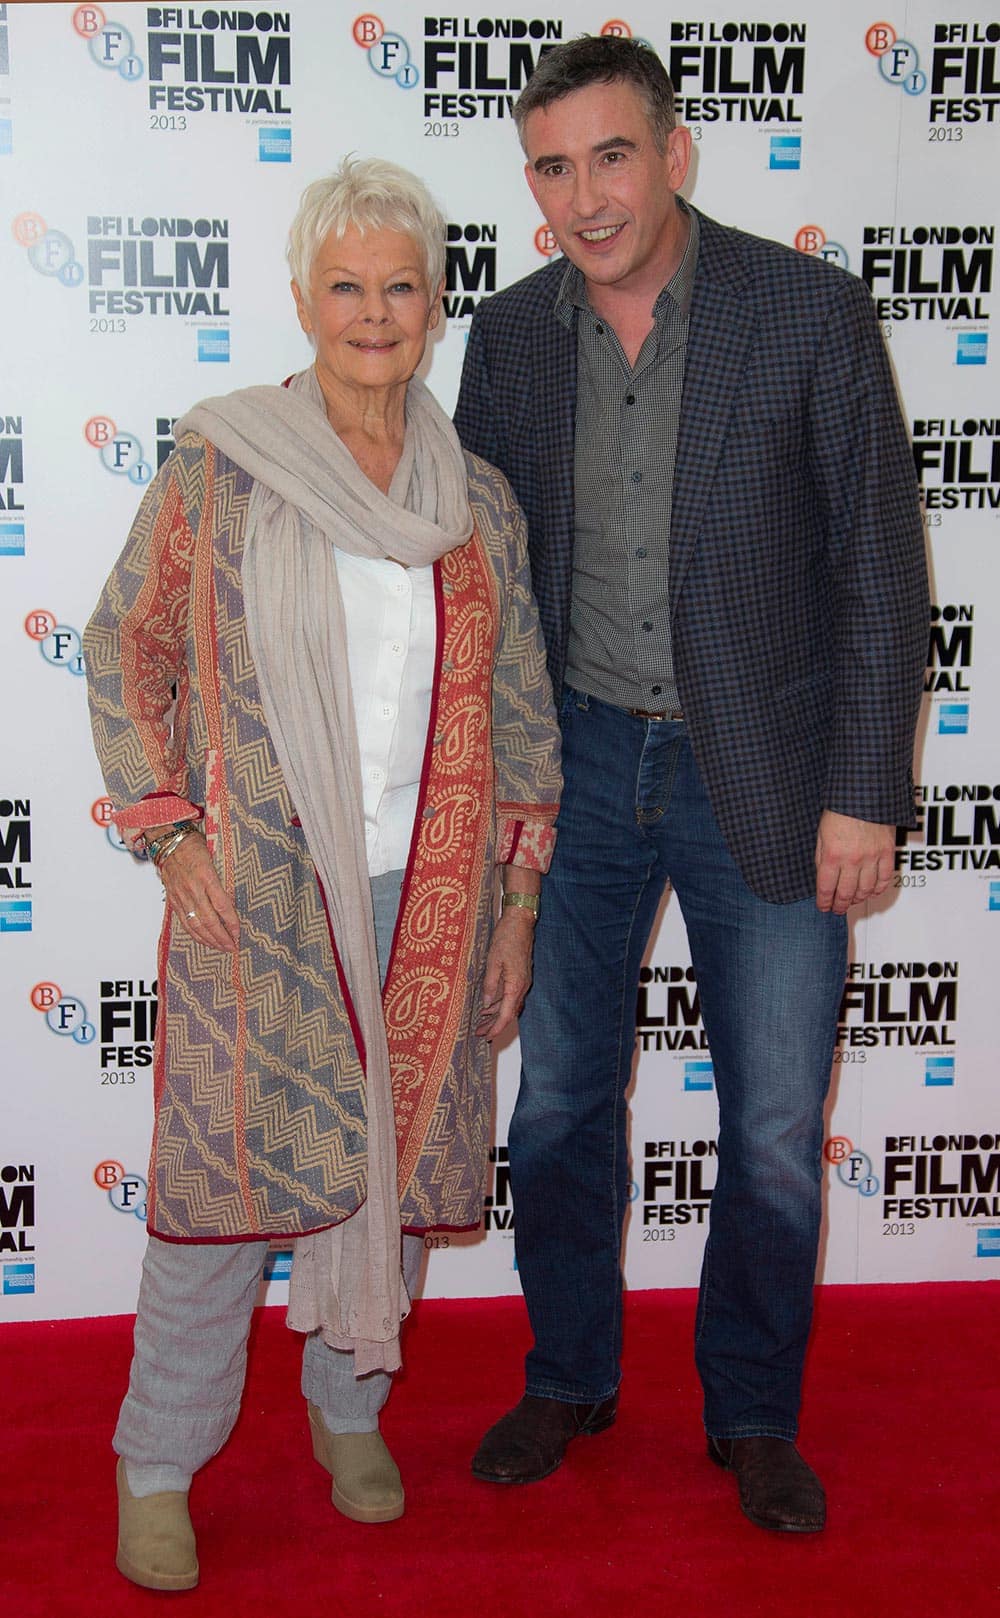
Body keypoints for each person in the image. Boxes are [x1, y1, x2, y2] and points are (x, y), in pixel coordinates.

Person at [454, 36, 928, 1532]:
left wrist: (866, 790)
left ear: (676, 154)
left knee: (778, 1118)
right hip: (580, 758)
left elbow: (881, 572)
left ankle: (753, 1410)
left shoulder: (808, 313)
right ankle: (571, 1371)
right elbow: (482, 575)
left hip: (769, 771)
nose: (585, 195)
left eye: (610, 155)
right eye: (552, 166)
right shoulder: (513, 333)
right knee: (561, 1100)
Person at [84, 155, 561, 1591]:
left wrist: (516, 900)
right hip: (263, 891)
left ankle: (350, 1403)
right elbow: (128, 646)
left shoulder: (474, 496)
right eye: (344, 286)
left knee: (400, 1173)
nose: (372, 313)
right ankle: (157, 1459)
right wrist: (168, 827)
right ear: (302, 298)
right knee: (220, 1199)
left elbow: (523, 707)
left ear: (433, 304)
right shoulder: (220, 465)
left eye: (398, 287)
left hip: (430, 891)